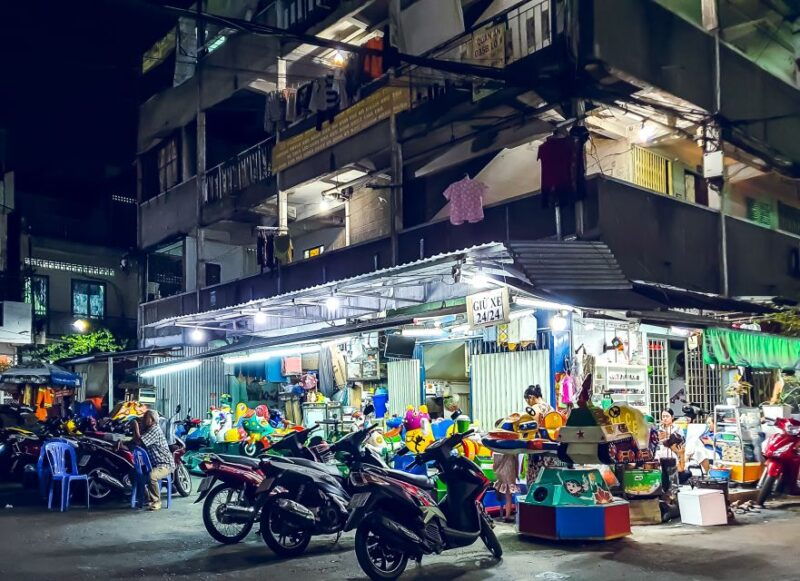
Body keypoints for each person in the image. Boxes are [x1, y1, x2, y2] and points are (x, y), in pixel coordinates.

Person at [132, 410, 175, 511]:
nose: (143, 419)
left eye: (145, 417)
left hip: (165, 464)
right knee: (134, 473)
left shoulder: (154, 430)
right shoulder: (148, 430)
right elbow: (135, 442)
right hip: (154, 464)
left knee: (152, 476)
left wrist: (136, 427)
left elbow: (139, 441)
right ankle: (147, 498)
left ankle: (156, 501)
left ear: (153, 420)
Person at [523, 385, 558, 485]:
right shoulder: (551, 408)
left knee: (535, 479)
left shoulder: (535, 408)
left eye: (527, 400)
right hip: (551, 446)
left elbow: (530, 426)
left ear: (531, 397)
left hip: (537, 448)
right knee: (549, 478)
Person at [492, 418, 519, 523]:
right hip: (509, 471)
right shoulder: (510, 443)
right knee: (508, 495)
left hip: (500, 472)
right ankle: (507, 516)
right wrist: (517, 472)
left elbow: (495, 461)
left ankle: (502, 513)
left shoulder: (495, 443)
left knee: (501, 494)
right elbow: (515, 459)